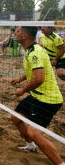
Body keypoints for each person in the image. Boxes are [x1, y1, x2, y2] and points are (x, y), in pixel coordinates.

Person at [10, 26, 64, 165]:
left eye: (18, 32)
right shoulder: (30, 50)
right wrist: (20, 80)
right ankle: (31, 146)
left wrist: (22, 90)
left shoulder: (35, 52)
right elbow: (34, 71)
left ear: (25, 37)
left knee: (35, 133)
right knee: (16, 117)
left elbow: (39, 78)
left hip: (48, 99)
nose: (15, 33)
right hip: (37, 95)